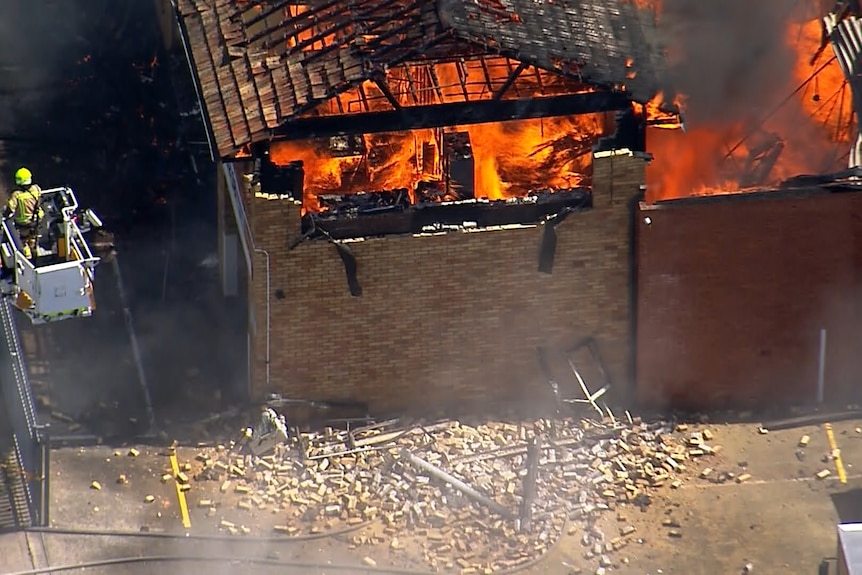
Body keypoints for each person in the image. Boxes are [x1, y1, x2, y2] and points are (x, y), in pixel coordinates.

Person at [4, 167, 44, 259]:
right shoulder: (37, 189)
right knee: (33, 239)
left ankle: (28, 259)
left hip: (23, 224)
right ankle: (35, 254)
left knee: (23, 241)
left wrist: (5, 216)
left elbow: (10, 208)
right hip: (37, 221)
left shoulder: (17, 195)